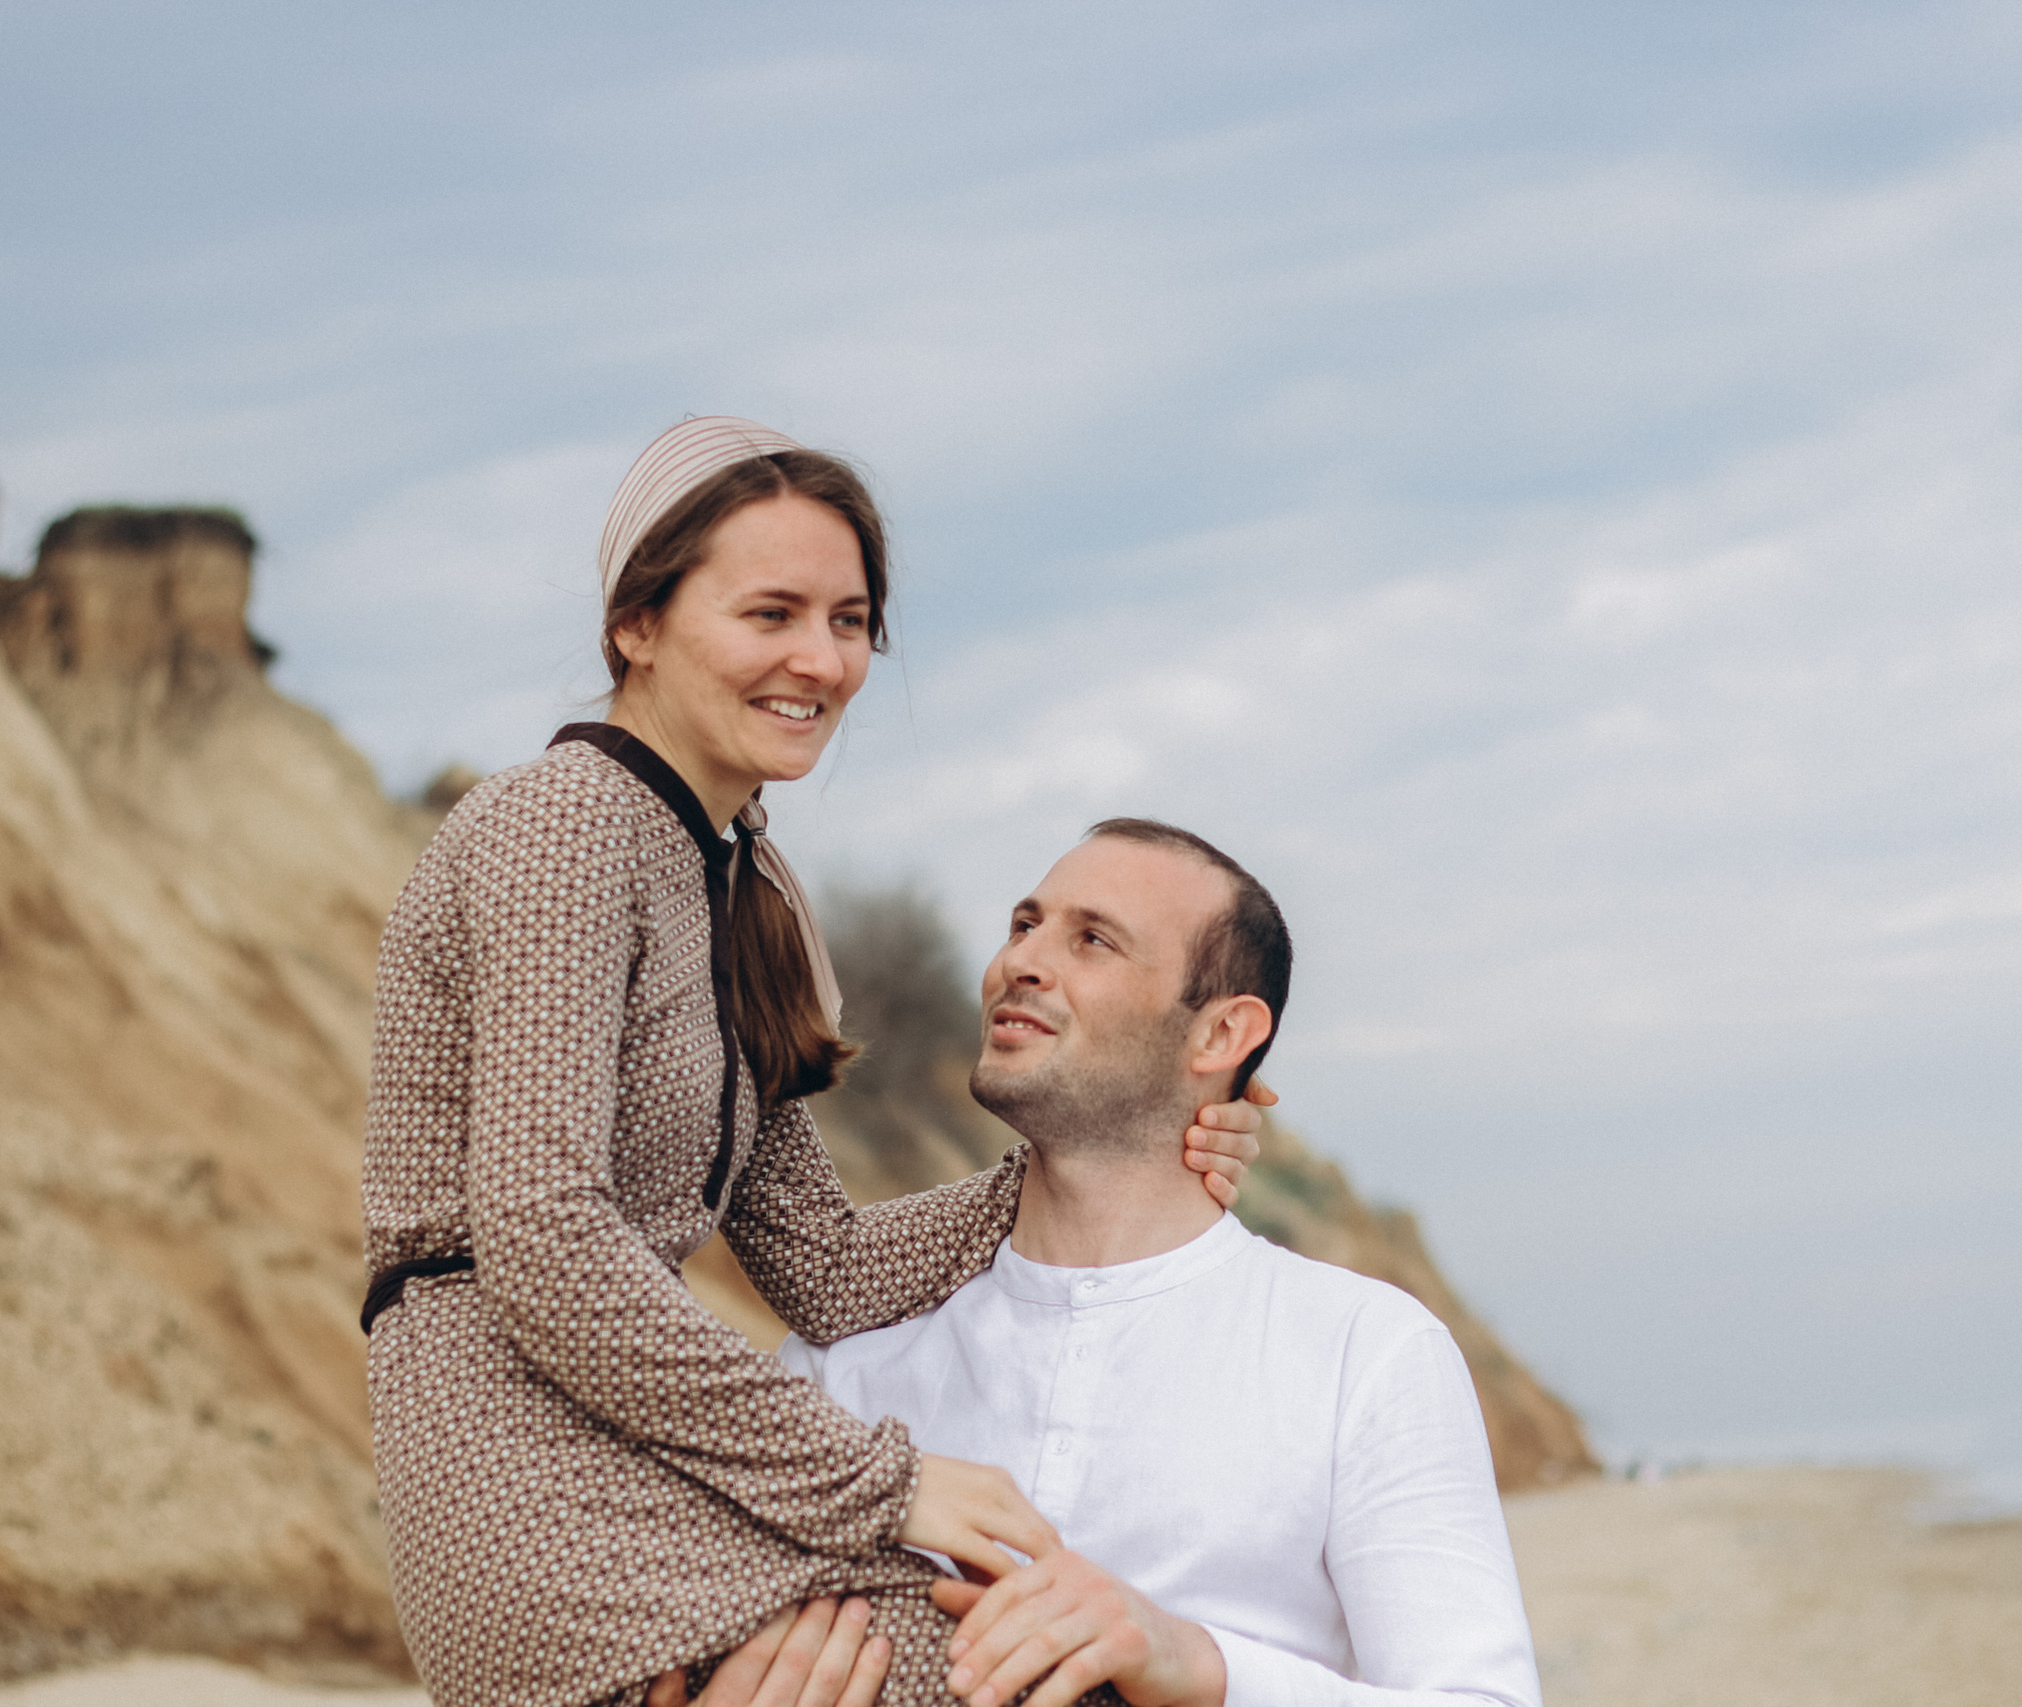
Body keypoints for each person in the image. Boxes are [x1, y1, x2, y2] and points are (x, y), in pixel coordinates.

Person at [360, 418, 1273, 1707]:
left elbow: (826, 1271)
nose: (820, 660)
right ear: (638, 623)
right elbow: (542, 1233)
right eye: (770, 613)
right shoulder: (560, 821)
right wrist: (889, 1482)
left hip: (636, 1442)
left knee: (1053, 1651)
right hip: (518, 1465)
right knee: (1033, 1667)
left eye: (848, 621)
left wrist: (1101, 1161)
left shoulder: (745, 888)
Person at [777, 821, 1543, 1707]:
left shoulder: (1366, 1352)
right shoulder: (846, 1352)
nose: (1021, 958)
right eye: (1023, 923)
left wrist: (1196, 1661)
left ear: (1221, 1032)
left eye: (1091, 939)